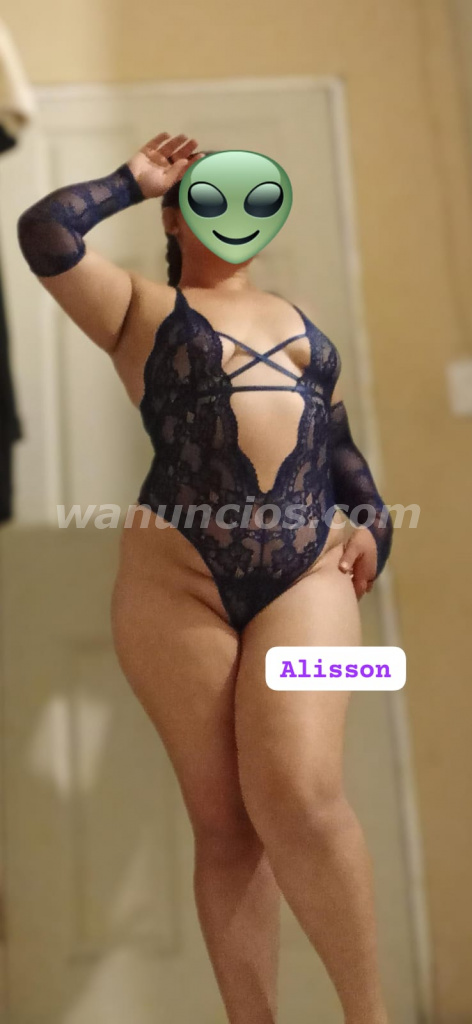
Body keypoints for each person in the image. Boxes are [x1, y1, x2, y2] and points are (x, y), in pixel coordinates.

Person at [17, 131, 393, 1024]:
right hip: (174, 584)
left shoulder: (301, 319)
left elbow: (335, 442)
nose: (234, 213)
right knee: (225, 825)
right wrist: (132, 180)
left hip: (309, 577)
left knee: (303, 796)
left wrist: (377, 521)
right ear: (177, 217)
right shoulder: (135, 306)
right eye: (211, 196)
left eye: (254, 197)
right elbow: (44, 232)